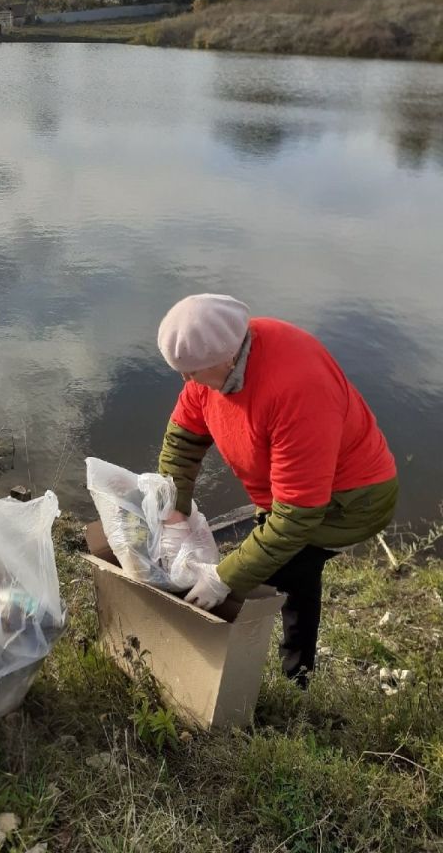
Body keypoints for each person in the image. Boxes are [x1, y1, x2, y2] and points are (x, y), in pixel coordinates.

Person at [157, 294, 398, 687]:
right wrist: (174, 511)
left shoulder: (298, 388)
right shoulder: (210, 364)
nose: (185, 380)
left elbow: (296, 518)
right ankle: (294, 674)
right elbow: (182, 444)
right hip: (287, 495)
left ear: (228, 357)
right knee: (280, 567)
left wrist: (224, 578)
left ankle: (288, 678)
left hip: (349, 501)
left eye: (192, 371)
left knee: (285, 568)